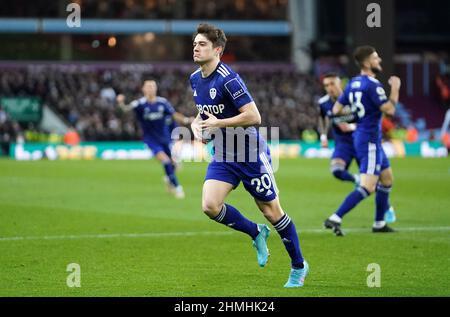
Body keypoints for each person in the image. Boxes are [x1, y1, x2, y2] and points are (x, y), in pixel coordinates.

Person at [189, 23, 308, 287]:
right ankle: (255, 232)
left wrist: (218, 124)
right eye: (195, 43)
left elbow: (254, 116)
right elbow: (203, 112)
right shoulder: (195, 78)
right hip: (223, 155)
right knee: (210, 206)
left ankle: (298, 266)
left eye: (202, 44)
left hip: (250, 153)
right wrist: (195, 125)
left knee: (271, 211)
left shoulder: (228, 78)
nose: (196, 47)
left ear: (217, 50)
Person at [324, 45, 400, 236]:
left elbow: (336, 110)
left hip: (364, 137)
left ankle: (380, 223)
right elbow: (390, 110)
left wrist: (357, 114)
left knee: (387, 178)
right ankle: (335, 217)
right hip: (370, 140)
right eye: (376, 58)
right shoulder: (373, 85)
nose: (379, 60)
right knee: (368, 186)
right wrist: (395, 89)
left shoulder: (353, 83)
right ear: (367, 62)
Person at [116, 79, 193, 199]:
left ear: (156, 88)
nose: (151, 88)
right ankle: (178, 188)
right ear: (143, 89)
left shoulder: (163, 103)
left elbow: (174, 115)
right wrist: (120, 103)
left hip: (165, 139)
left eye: (153, 86)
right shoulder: (139, 104)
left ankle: (168, 178)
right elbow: (125, 110)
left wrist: (187, 120)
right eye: (148, 86)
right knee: (166, 161)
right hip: (150, 140)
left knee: (174, 165)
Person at [318, 73, 360, 185]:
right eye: (326, 85)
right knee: (336, 171)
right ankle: (357, 180)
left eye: (332, 84)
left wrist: (352, 126)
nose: (329, 88)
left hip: (361, 140)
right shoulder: (323, 103)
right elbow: (322, 119)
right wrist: (323, 137)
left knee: (373, 178)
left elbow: (369, 118)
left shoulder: (354, 99)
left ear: (340, 83)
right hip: (343, 143)